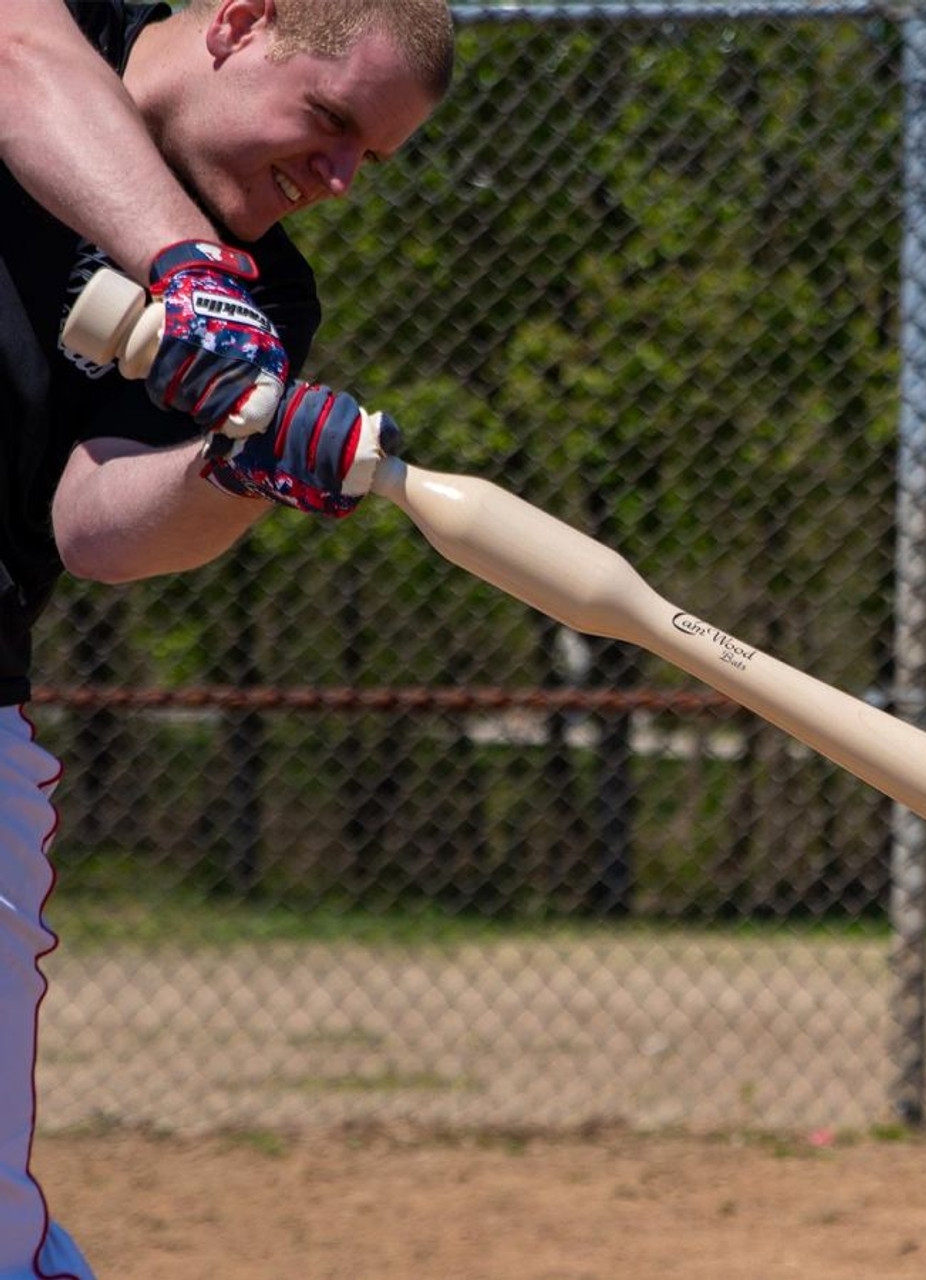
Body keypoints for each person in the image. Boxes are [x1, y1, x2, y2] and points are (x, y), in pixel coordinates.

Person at [0, 1, 454, 1273]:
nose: (340, 177)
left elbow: (94, 526)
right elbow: (17, 54)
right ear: (242, 23)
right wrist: (176, 265)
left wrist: (235, 465)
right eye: (329, 121)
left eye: (372, 157)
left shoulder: (268, 302)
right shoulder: (62, 25)